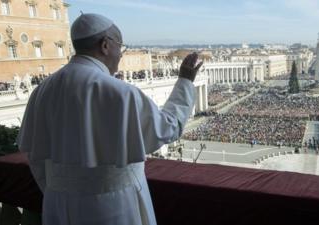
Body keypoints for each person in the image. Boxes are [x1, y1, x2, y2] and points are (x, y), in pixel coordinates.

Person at [17, 13, 202, 225]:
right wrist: (185, 82)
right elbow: (167, 128)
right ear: (105, 45)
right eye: (120, 47)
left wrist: (60, 190)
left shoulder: (42, 91)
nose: (121, 55)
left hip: (57, 204)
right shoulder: (120, 92)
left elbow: (35, 157)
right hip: (113, 206)